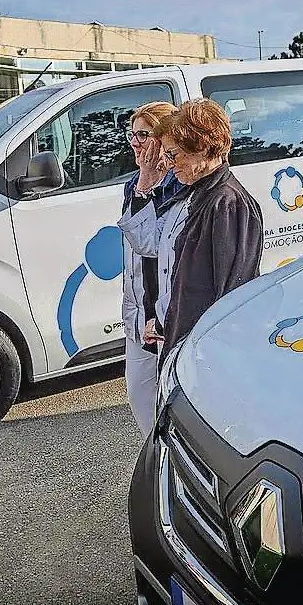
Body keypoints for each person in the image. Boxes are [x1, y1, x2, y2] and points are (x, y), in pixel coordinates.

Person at [118, 98, 264, 363]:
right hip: (179, 341)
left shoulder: (228, 204)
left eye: (173, 154)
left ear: (201, 148)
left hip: (200, 352)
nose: (170, 163)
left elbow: (231, 295)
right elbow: (150, 244)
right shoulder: (192, 193)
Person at [120, 102, 182, 434]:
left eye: (143, 135)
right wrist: (143, 180)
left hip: (163, 314)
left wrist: (149, 181)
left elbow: (152, 247)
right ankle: (155, 466)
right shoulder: (134, 184)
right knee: (140, 395)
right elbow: (135, 252)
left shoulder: (179, 185)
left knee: (170, 401)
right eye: (132, 135)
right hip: (138, 310)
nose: (135, 142)